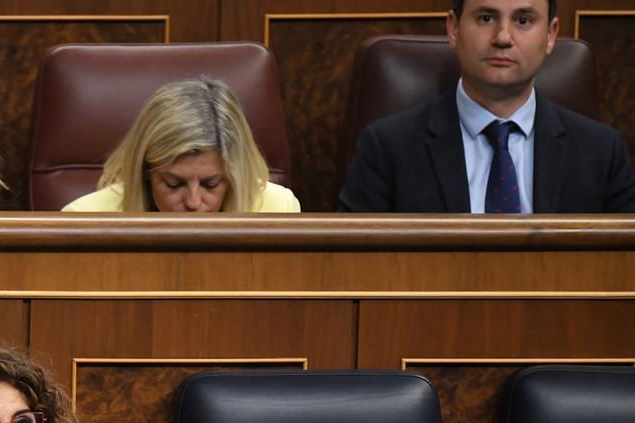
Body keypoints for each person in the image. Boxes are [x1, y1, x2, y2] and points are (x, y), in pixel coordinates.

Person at [339, 0, 635, 213]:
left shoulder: (601, 152)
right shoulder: (387, 148)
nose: (503, 38)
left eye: (523, 20)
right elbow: (354, 275)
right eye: (486, 18)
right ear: (453, 28)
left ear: (551, 35)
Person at [62, 77, 299, 213]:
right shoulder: (86, 218)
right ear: (145, 174)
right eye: (173, 184)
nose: (193, 202)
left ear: (234, 175)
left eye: (210, 184)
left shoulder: (276, 209)